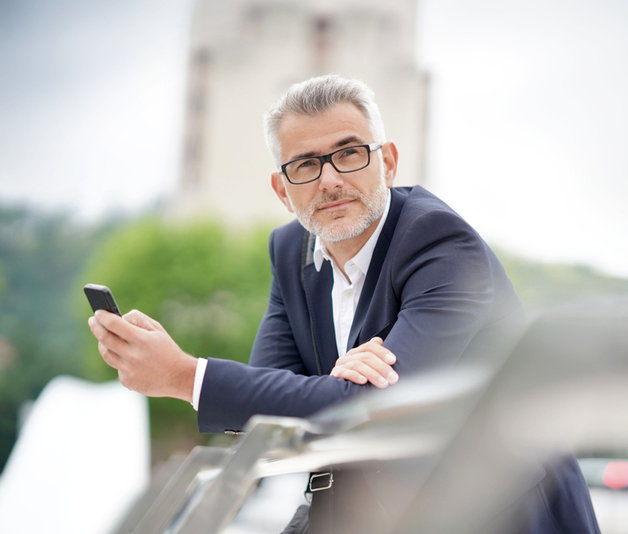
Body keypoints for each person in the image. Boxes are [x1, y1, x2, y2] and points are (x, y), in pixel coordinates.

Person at [88, 74, 599, 533]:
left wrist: (185, 376)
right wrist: (339, 384)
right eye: (305, 165)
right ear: (283, 191)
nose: (330, 179)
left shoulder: (440, 243)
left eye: (349, 153)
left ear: (388, 161)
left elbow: (383, 410)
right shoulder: (289, 251)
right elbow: (273, 397)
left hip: (497, 510)